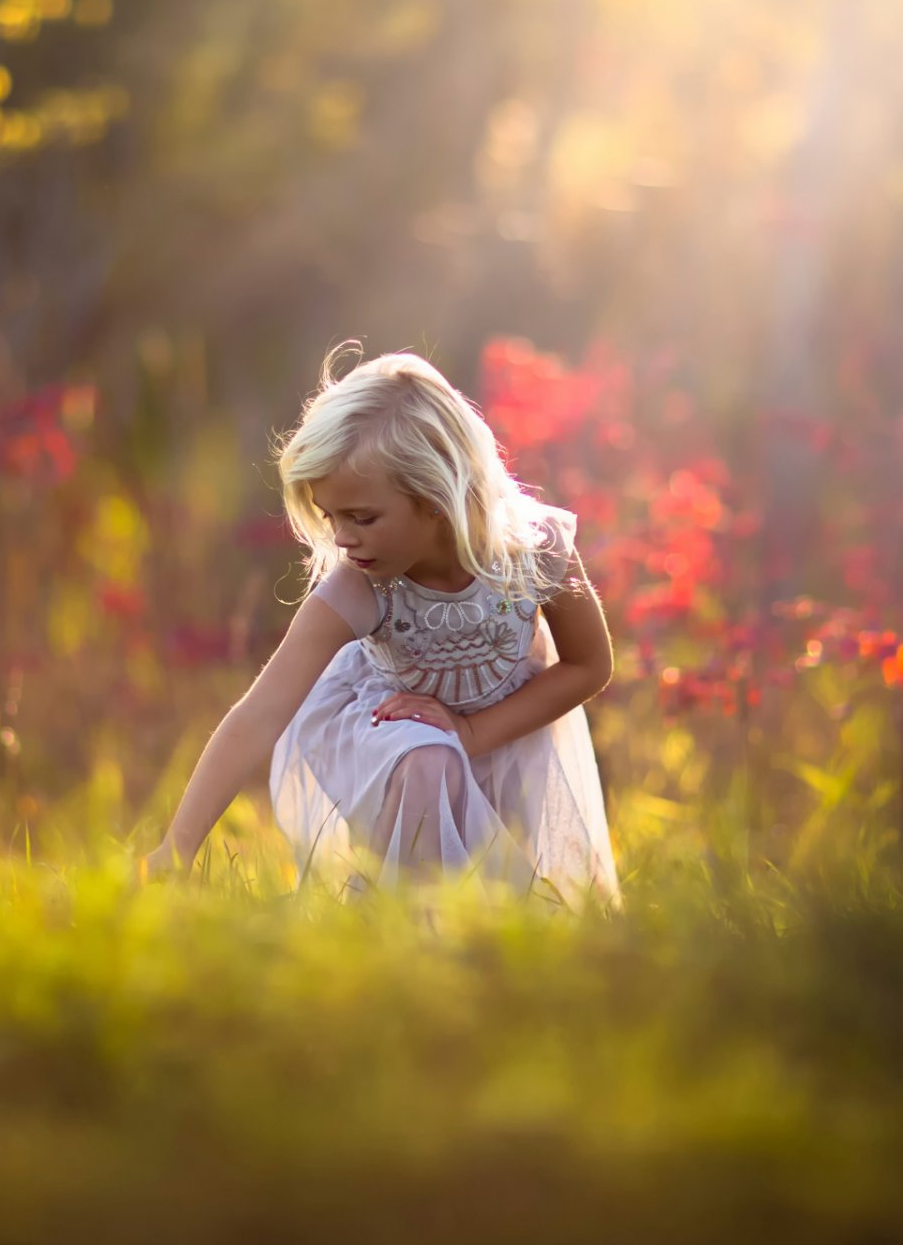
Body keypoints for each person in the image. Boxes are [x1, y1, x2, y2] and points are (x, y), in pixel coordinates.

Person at [141, 343, 622, 911]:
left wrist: (473, 733)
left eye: (362, 518)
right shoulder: (358, 585)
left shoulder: (534, 553)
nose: (343, 538)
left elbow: (591, 665)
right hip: (388, 741)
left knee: (498, 900)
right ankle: (402, 938)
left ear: (437, 497)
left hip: (506, 732)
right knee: (429, 756)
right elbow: (260, 712)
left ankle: (468, 958)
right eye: (331, 518)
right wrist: (175, 847)